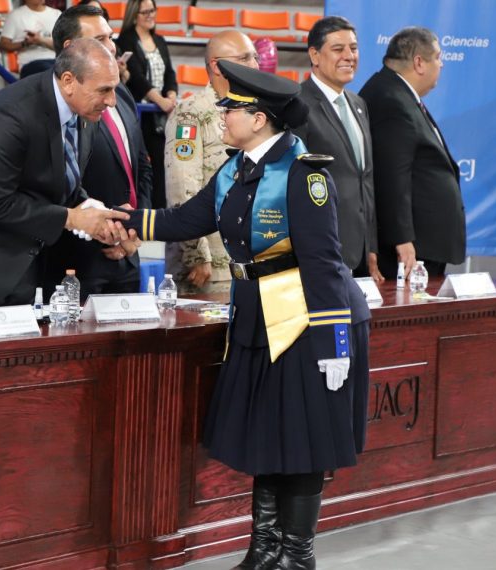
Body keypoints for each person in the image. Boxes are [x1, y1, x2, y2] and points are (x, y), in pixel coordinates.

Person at [120, 62, 370, 570]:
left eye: (231, 109)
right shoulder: (235, 169)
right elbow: (185, 219)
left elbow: (324, 263)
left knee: (301, 440)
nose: (222, 116)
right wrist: (120, 220)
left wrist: (334, 345)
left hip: (307, 322)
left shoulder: (304, 174)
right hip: (258, 315)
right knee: (268, 436)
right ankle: (264, 550)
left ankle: (296, 557)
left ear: (259, 119)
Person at [0, 38, 131, 311]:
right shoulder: (10, 114)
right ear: (68, 81)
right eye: (104, 90)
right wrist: (72, 218)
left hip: (26, 272)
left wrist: (99, 215)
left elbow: (59, 181)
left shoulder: (85, 112)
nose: (112, 101)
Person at [43, 3, 150, 296]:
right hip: (77, 258)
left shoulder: (121, 94)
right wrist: (108, 230)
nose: (111, 47)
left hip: (128, 253)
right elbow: (63, 183)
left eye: (110, 38)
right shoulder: (56, 105)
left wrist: (135, 229)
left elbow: (141, 166)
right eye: (100, 40)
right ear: (70, 48)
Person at [359, 27, 464, 280]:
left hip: (423, 243)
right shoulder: (391, 99)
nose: (441, 64)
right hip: (411, 250)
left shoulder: (398, 93)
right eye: (437, 57)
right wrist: (402, 238)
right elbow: (392, 174)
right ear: (419, 63)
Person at [163, 30, 255, 296]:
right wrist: (196, 254)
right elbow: (182, 186)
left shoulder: (256, 112)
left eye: (255, 57)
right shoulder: (191, 113)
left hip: (249, 263)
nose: (254, 65)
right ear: (216, 66)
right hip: (210, 269)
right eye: (244, 58)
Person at [294, 16, 382, 281]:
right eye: (338, 49)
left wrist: (371, 245)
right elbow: (292, 180)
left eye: (353, 48)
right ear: (314, 55)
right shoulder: (297, 104)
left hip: (359, 252)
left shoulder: (359, 104)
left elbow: (364, 180)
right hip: (320, 251)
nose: (349, 56)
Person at [116, 0, 176, 209]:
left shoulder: (159, 40)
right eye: (145, 12)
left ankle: (158, 212)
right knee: (141, 166)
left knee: (161, 164)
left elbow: (170, 73)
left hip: (158, 113)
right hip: (138, 111)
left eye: (153, 10)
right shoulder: (126, 40)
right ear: (134, 16)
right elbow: (137, 79)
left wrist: (171, 95)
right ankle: (139, 209)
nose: (151, 15)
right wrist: (160, 101)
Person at [0, 0, 60, 78]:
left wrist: (40, 40)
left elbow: (64, 46)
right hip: (30, 63)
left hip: (56, 61)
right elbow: (3, 45)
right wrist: (25, 43)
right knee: (51, 72)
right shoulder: (15, 15)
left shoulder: (57, 14)